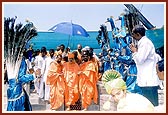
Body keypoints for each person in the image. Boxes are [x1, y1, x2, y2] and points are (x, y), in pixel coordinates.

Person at [130, 25, 160, 106]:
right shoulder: (143, 43)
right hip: (146, 80)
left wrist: (134, 52)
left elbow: (140, 60)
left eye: (133, 34)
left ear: (138, 34)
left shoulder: (145, 43)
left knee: (151, 105)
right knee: (149, 105)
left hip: (148, 80)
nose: (132, 36)